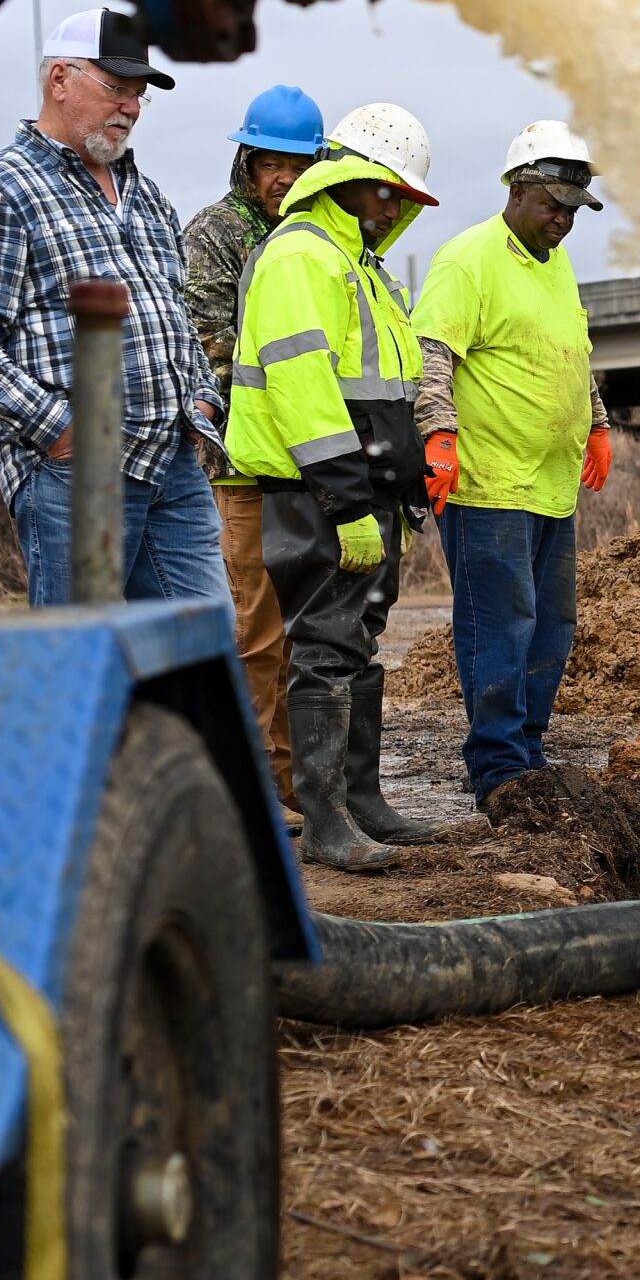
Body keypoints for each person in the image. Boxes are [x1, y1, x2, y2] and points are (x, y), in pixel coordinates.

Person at [0, 8, 233, 604]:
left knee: (202, 661)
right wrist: (61, 430)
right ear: (59, 80)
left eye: (138, 96)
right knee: (88, 665)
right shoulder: (0, 189)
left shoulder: (147, 196)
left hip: (173, 464)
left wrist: (200, 394)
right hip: (78, 477)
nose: (129, 107)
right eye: (116, 89)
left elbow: (172, 313)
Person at [229, 102, 440, 872]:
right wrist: (350, 500)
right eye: (386, 191)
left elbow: (388, 390)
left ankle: (363, 801)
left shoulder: (363, 267)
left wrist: (403, 494)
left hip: (362, 493)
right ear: (349, 179)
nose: (392, 208)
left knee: (356, 644)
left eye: (401, 198)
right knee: (322, 647)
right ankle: (325, 822)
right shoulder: (301, 255)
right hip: (314, 490)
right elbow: (303, 387)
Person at [412, 121, 613, 811]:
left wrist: (599, 426)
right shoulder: (469, 259)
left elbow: (570, 354)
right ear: (518, 189)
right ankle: (498, 771)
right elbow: (431, 354)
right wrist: (438, 434)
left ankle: (528, 752)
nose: (562, 221)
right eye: (553, 204)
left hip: (551, 487)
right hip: (490, 483)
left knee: (550, 628)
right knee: (499, 626)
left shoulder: (558, 269)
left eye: (573, 211)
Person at [183, 84, 325, 817]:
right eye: (273, 162)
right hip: (244, 466)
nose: (285, 178)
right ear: (248, 159)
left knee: (309, 635)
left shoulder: (319, 240)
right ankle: (259, 789)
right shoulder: (216, 232)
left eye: (300, 165)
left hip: (310, 463)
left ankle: (301, 781)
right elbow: (205, 337)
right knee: (257, 630)